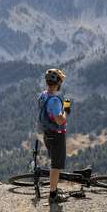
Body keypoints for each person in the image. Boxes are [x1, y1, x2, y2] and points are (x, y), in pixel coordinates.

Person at [37, 68, 71, 204]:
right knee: (56, 166)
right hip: (56, 135)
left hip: (47, 133)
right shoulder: (55, 100)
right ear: (58, 83)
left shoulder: (43, 95)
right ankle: (53, 195)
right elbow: (60, 120)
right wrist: (67, 110)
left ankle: (54, 189)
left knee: (54, 163)